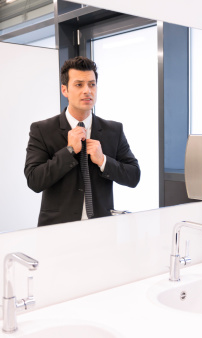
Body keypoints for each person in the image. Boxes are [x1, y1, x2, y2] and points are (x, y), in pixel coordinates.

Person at [25, 56, 140, 226]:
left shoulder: (114, 130)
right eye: (79, 85)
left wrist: (103, 161)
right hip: (57, 229)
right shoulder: (42, 130)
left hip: (102, 228)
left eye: (92, 84)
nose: (87, 91)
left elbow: (133, 176)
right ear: (65, 90)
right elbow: (34, 180)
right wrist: (69, 151)